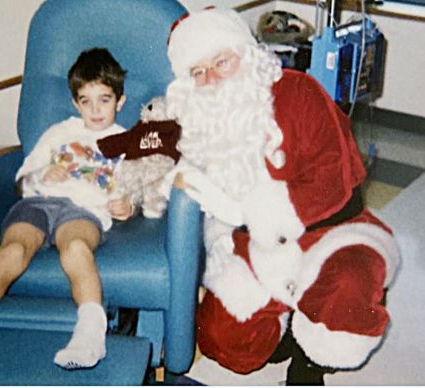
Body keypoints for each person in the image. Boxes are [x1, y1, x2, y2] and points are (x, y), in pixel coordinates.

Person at [164, 7, 400, 385]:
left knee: (345, 305)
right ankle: (288, 326)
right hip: (253, 242)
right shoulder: (199, 120)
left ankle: (312, 353)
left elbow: (333, 185)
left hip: (330, 229)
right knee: (225, 343)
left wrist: (255, 211)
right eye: (198, 72)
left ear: (246, 54)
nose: (212, 79)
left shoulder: (300, 92)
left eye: (221, 62)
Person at [0, 48, 135, 384]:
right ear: (75, 103)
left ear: (120, 101)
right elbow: (21, 182)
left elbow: (134, 191)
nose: (95, 110)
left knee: (76, 248)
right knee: (14, 250)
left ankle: (90, 336)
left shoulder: (127, 144)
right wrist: (44, 176)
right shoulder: (59, 133)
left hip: (84, 211)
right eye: (85, 101)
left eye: (104, 100)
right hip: (39, 203)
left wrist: (126, 206)